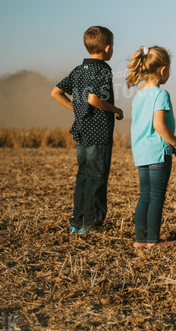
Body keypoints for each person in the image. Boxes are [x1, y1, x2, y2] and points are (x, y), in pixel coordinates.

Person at [51, 26, 124, 235]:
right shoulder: (103, 69)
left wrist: (76, 108)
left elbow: (55, 92)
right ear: (107, 48)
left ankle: (77, 222)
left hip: (82, 130)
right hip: (99, 131)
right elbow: (94, 99)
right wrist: (116, 110)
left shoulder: (78, 70)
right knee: (97, 177)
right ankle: (92, 225)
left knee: (83, 175)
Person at [125, 46, 176, 248]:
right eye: (169, 69)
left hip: (141, 153)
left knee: (144, 196)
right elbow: (159, 125)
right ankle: (153, 241)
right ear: (162, 70)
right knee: (157, 197)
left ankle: (140, 240)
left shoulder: (138, 96)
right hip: (158, 154)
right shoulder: (161, 94)